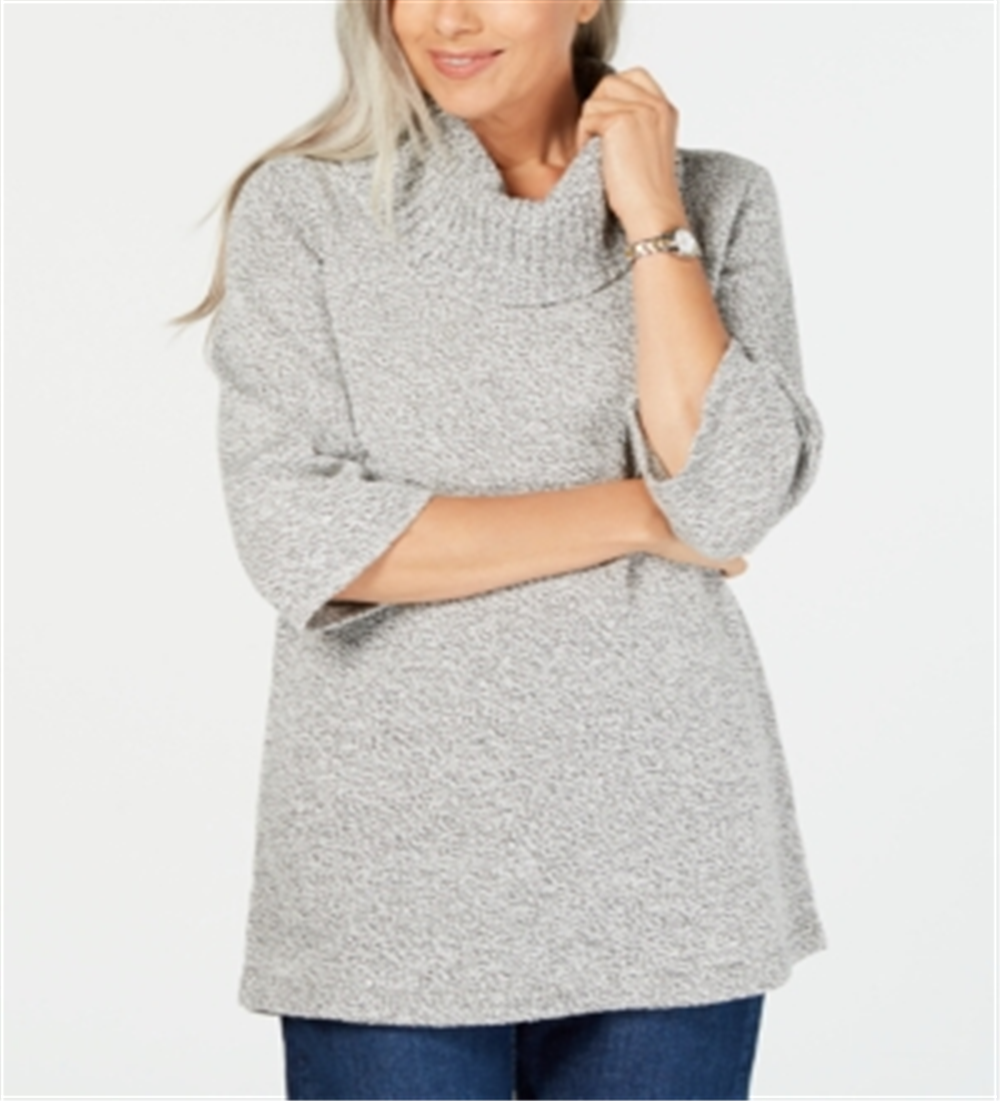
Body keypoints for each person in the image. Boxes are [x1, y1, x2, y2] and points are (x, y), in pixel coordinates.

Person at [176, 0, 826, 1097]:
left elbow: (730, 495)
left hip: (667, 852)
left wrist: (653, 219)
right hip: (391, 870)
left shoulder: (719, 198)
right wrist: (642, 514)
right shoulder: (306, 209)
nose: (448, 17)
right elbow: (305, 539)